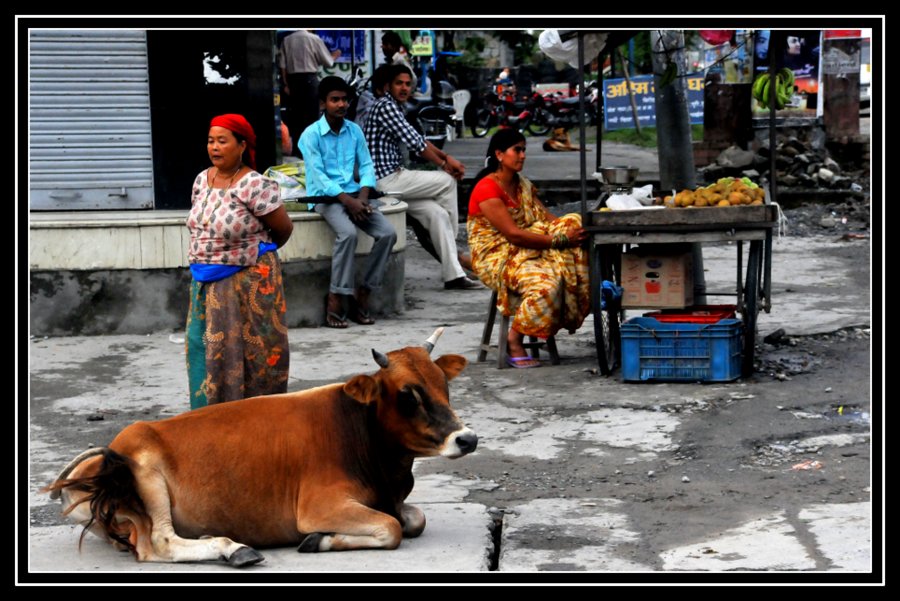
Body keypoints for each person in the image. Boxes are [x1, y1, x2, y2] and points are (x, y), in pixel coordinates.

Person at [185, 114, 294, 408]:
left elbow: (283, 230)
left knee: (253, 356)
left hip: (248, 284)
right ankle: (210, 418)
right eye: (211, 141)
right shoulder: (201, 179)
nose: (215, 147)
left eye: (223, 141)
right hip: (206, 284)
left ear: (242, 145)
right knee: (204, 349)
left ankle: (253, 422)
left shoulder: (256, 185)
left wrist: (251, 257)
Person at [466, 129, 590, 368]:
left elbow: (547, 218)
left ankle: (553, 317)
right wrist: (561, 241)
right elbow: (514, 235)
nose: (522, 155)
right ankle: (514, 340)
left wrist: (572, 229)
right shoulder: (487, 189)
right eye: (517, 150)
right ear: (500, 155)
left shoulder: (522, 186)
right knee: (547, 285)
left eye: (524, 150)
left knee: (573, 222)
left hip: (528, 250)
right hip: (497, 257)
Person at [364, 63, 481, 291]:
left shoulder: (395, 107)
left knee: (437, 214)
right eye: (399, 83)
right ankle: (454, 252)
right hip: (385, 180)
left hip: (396, 179)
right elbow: (416, 144)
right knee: (447, 181)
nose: (405, 88)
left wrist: (446, 157)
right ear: (388, 86)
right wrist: (445, 165)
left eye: (408, 84)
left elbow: (419, 139)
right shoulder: (385, 106)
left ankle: (453, 276)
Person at [299, 76, 398, 329]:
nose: (341, 105)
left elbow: (366, 166)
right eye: (335, 100)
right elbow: (319, 177)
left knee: (387, 233)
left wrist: (362, 199)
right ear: (323, 103)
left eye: (344, 99)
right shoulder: (310, 135)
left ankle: (363, 292)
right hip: (325, 198)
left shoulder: (354, 131)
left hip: (356, 197)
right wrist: (348, 201)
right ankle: (337, 295)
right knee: (348, 234)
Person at [278, 30, 341, 157]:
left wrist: (286, 84)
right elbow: (328, 62)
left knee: (296, 119)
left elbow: (282, 65)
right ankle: (311, 151)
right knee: (311, 118)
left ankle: (298, 151)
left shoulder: (287, 40)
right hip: (309, 81)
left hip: (293, 82)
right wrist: (335, 55)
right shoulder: (314, 39)